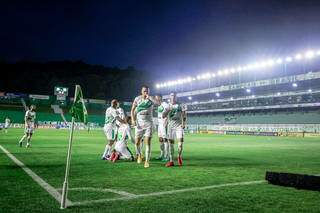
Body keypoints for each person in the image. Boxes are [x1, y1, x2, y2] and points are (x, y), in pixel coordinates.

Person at [131, 85, 159, 168]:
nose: (145, 92)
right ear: (141, 91)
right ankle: (139, 155)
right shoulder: (137, 99)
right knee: (137, 142)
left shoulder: (151, 99)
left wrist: (149, 97)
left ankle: (147, 161)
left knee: (147, 142)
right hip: (139, 124)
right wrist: (133, 119)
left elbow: (157, 103)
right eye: (144, 91)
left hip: (148, 124)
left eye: (147, 91)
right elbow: (132, 110)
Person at [162, 92, 187, 167]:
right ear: (170, 97)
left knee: (180, 144)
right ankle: (171, 161)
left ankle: (179, 156)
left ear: (176, 97)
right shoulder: (167, 105)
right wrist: (167, 110)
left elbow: (184, 115)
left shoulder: (181, 105)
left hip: (179, 126)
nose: (173, 97)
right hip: (170, 127)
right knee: (171, 145)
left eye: (175, 96)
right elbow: (163, 115)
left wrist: (183, 123)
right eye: (172, 96)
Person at [155, 94, 169, 161]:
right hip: (159, 124)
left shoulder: (164, 104)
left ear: (160, 98)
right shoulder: (159, 106)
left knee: (165, 139)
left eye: (157, 98)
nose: (156, 99)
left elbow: (168, 111)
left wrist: (166, 122)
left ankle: (167, 156)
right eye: (156, 98)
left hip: (164, 124)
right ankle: (161, 155)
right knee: (160, 139)